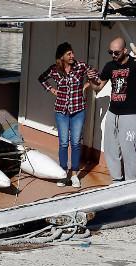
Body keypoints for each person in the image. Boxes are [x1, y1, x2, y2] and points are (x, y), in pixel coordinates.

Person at [92, 37, 136, 182]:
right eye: (110, 52)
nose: (113, 55)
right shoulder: (109, 66)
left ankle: (130, 182)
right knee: (111, 148)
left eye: (116, 52)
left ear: (125, 50)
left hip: (130, 116)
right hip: (113, 113)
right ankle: (117, 180)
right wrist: (92, 80)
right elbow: (98, 88)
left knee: (129, 150)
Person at [38, 42, 100, 188]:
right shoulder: (54, 70)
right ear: (62, 57)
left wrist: (87, 85)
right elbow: (41, 78)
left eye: (72, 53)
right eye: (69, 54)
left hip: (78, 110)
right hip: (61, 111)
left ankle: (74, 175)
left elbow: (95, 74)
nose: (72, 56)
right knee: (64, 143)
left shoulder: (81, 66)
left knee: (76, 143)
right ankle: (63, 173)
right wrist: (52, 90)